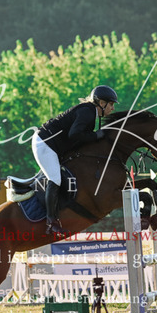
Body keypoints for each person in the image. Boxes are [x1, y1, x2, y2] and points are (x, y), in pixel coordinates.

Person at [32, 85, 119, 236]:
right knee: (55, 179)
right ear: (101, 103)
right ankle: (51, 222)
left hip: (53, 144)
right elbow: (74, 135)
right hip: (45, 144)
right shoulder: (87, 112)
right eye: (111, 104)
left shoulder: (90, 112)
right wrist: (96, 135)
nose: (112, 108)